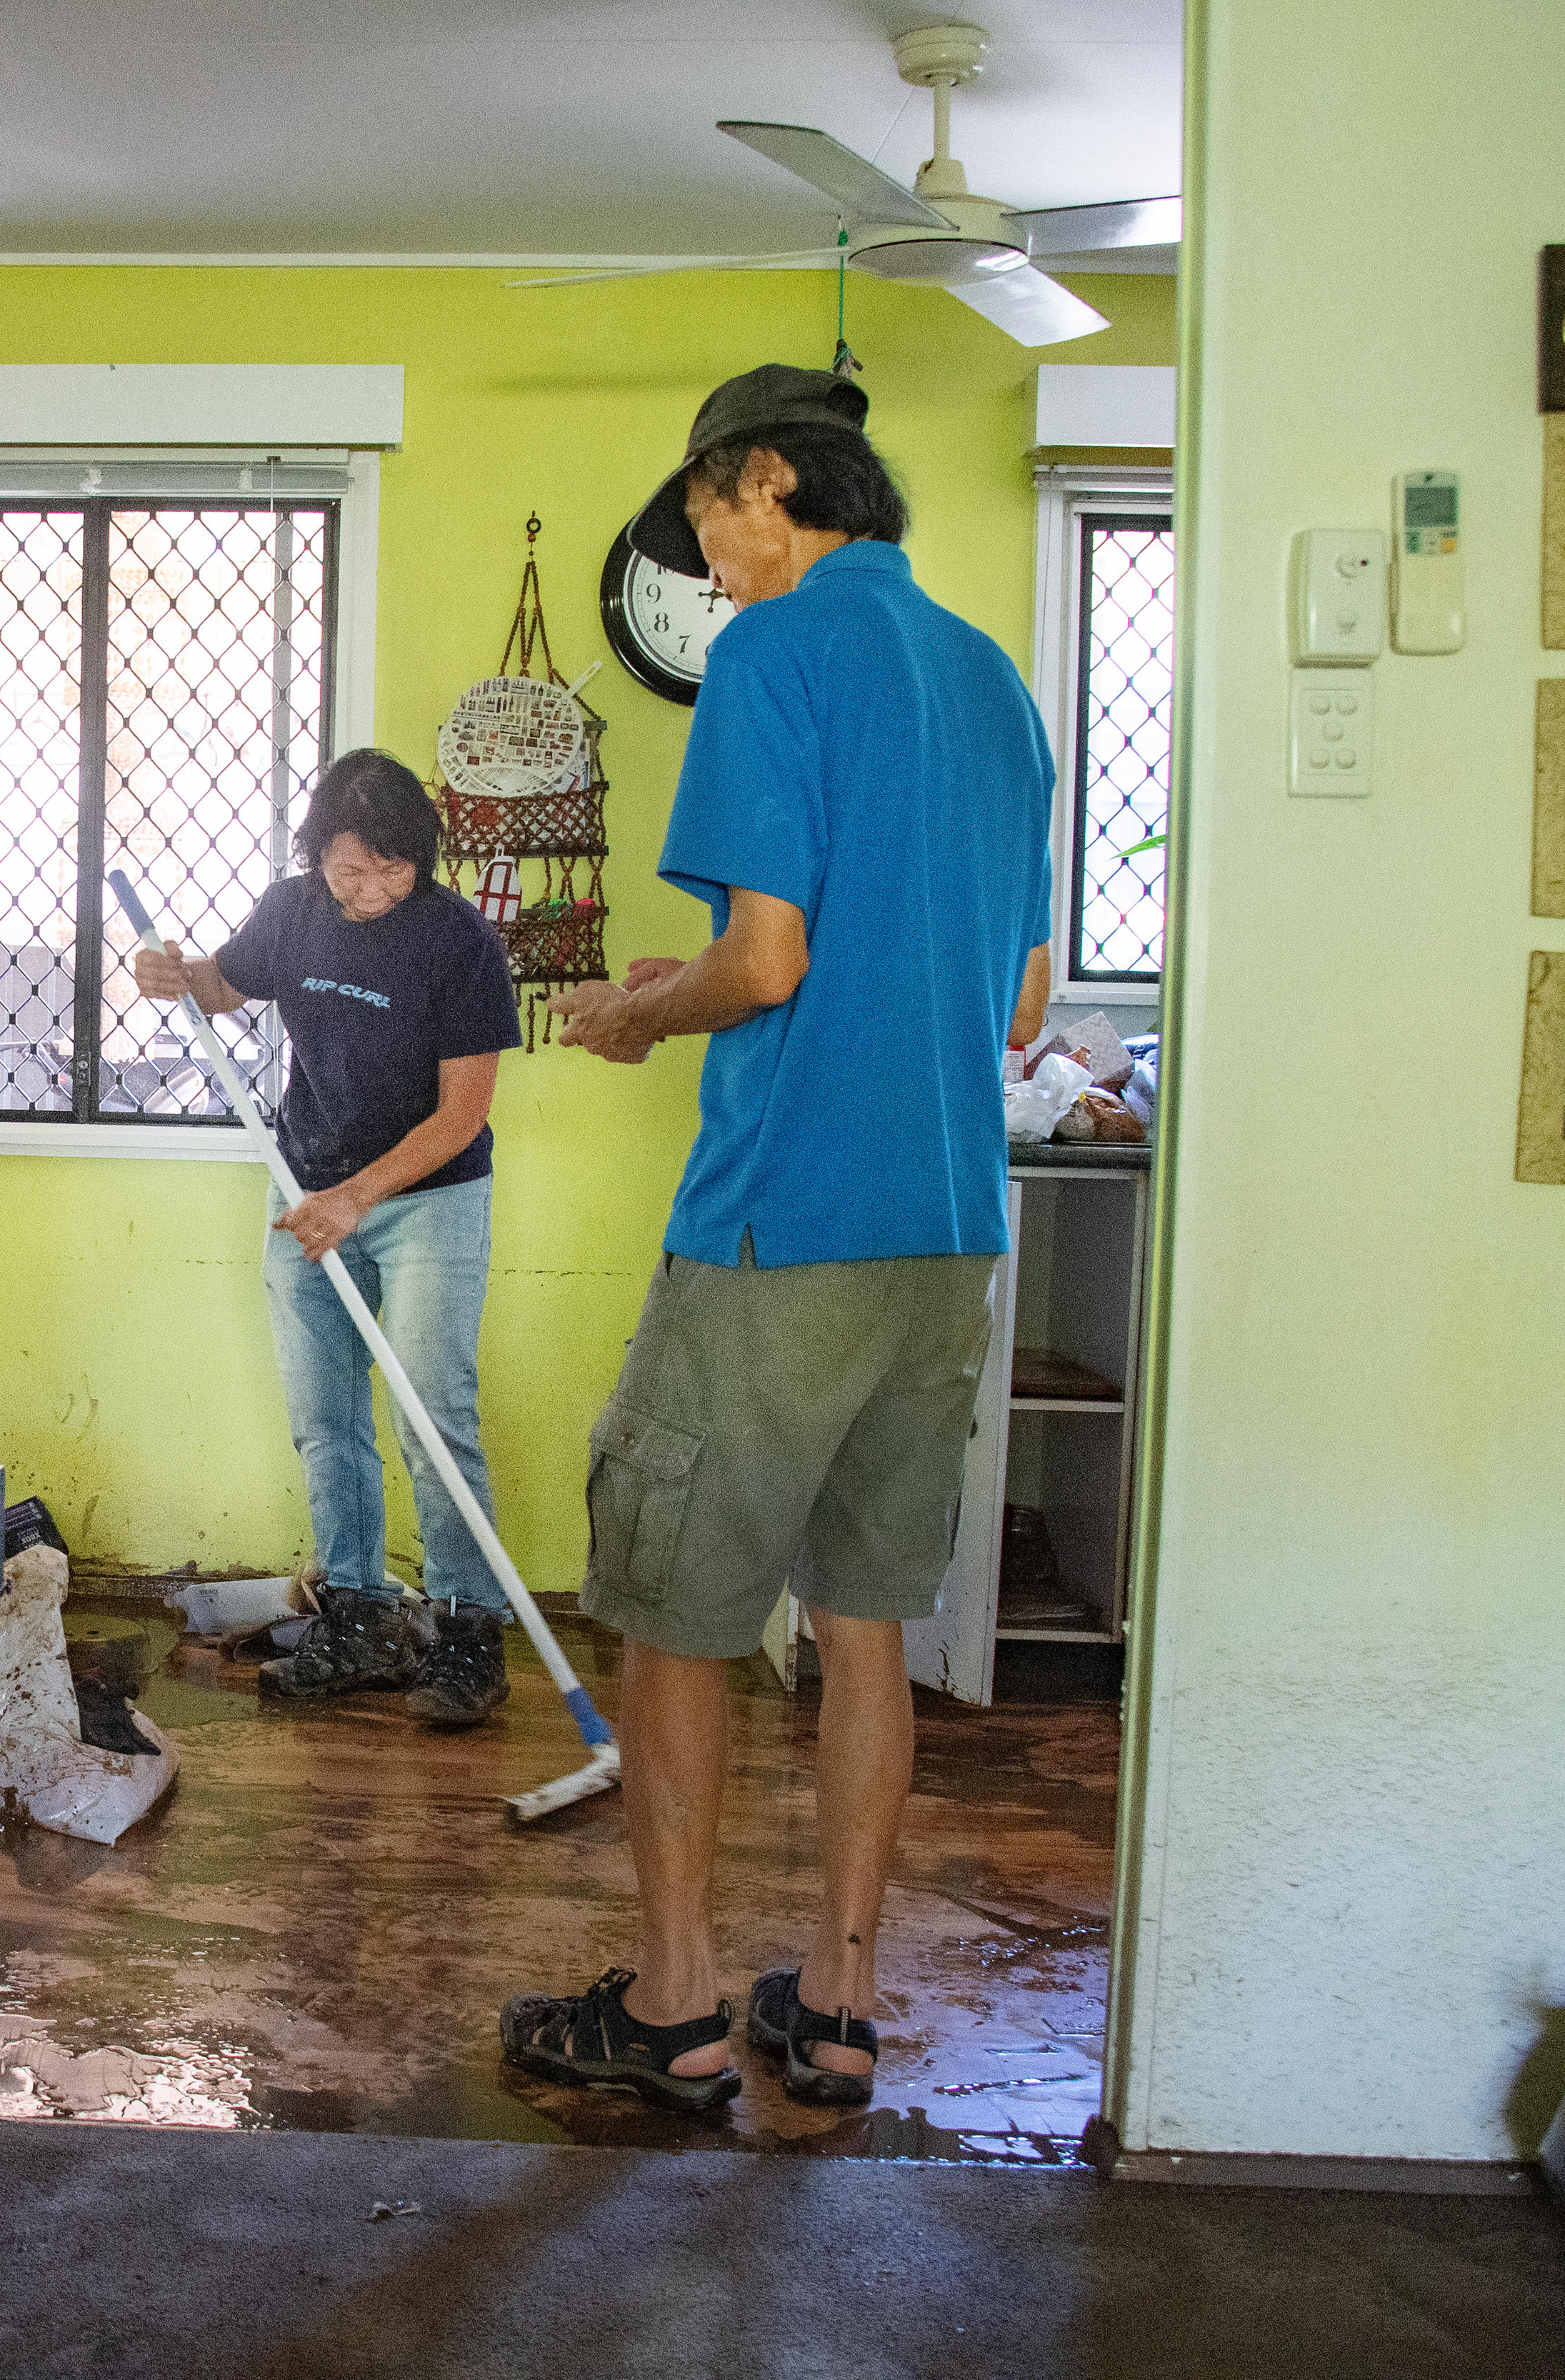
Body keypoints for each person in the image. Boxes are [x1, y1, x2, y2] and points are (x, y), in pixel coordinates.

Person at [496, 365, 1053, 2115]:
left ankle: (667, 2007)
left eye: (707, 527)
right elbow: (1026, 994)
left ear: (767, 485)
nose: (709, 566)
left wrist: (647, 1014)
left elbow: (767, 959)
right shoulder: (995, 681)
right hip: (949, 1225)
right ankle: (833, 2003)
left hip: (780, 1222)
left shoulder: (775, 653)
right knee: (868, 1614)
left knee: (676, 1610)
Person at [129, 750, 526, 1725]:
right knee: (326, 1415)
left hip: (427, 1194)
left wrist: (358, 1196)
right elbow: (225, 986)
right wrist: (173, 974)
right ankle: (356, 1615)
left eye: (395, 868)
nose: (374, 888)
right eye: (352, 869)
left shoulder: (459, 942)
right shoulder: (295, 910)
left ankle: (467, 1633)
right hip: (309, 1184)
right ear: (317, 857)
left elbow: (462, 1115)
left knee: (434, 1412)